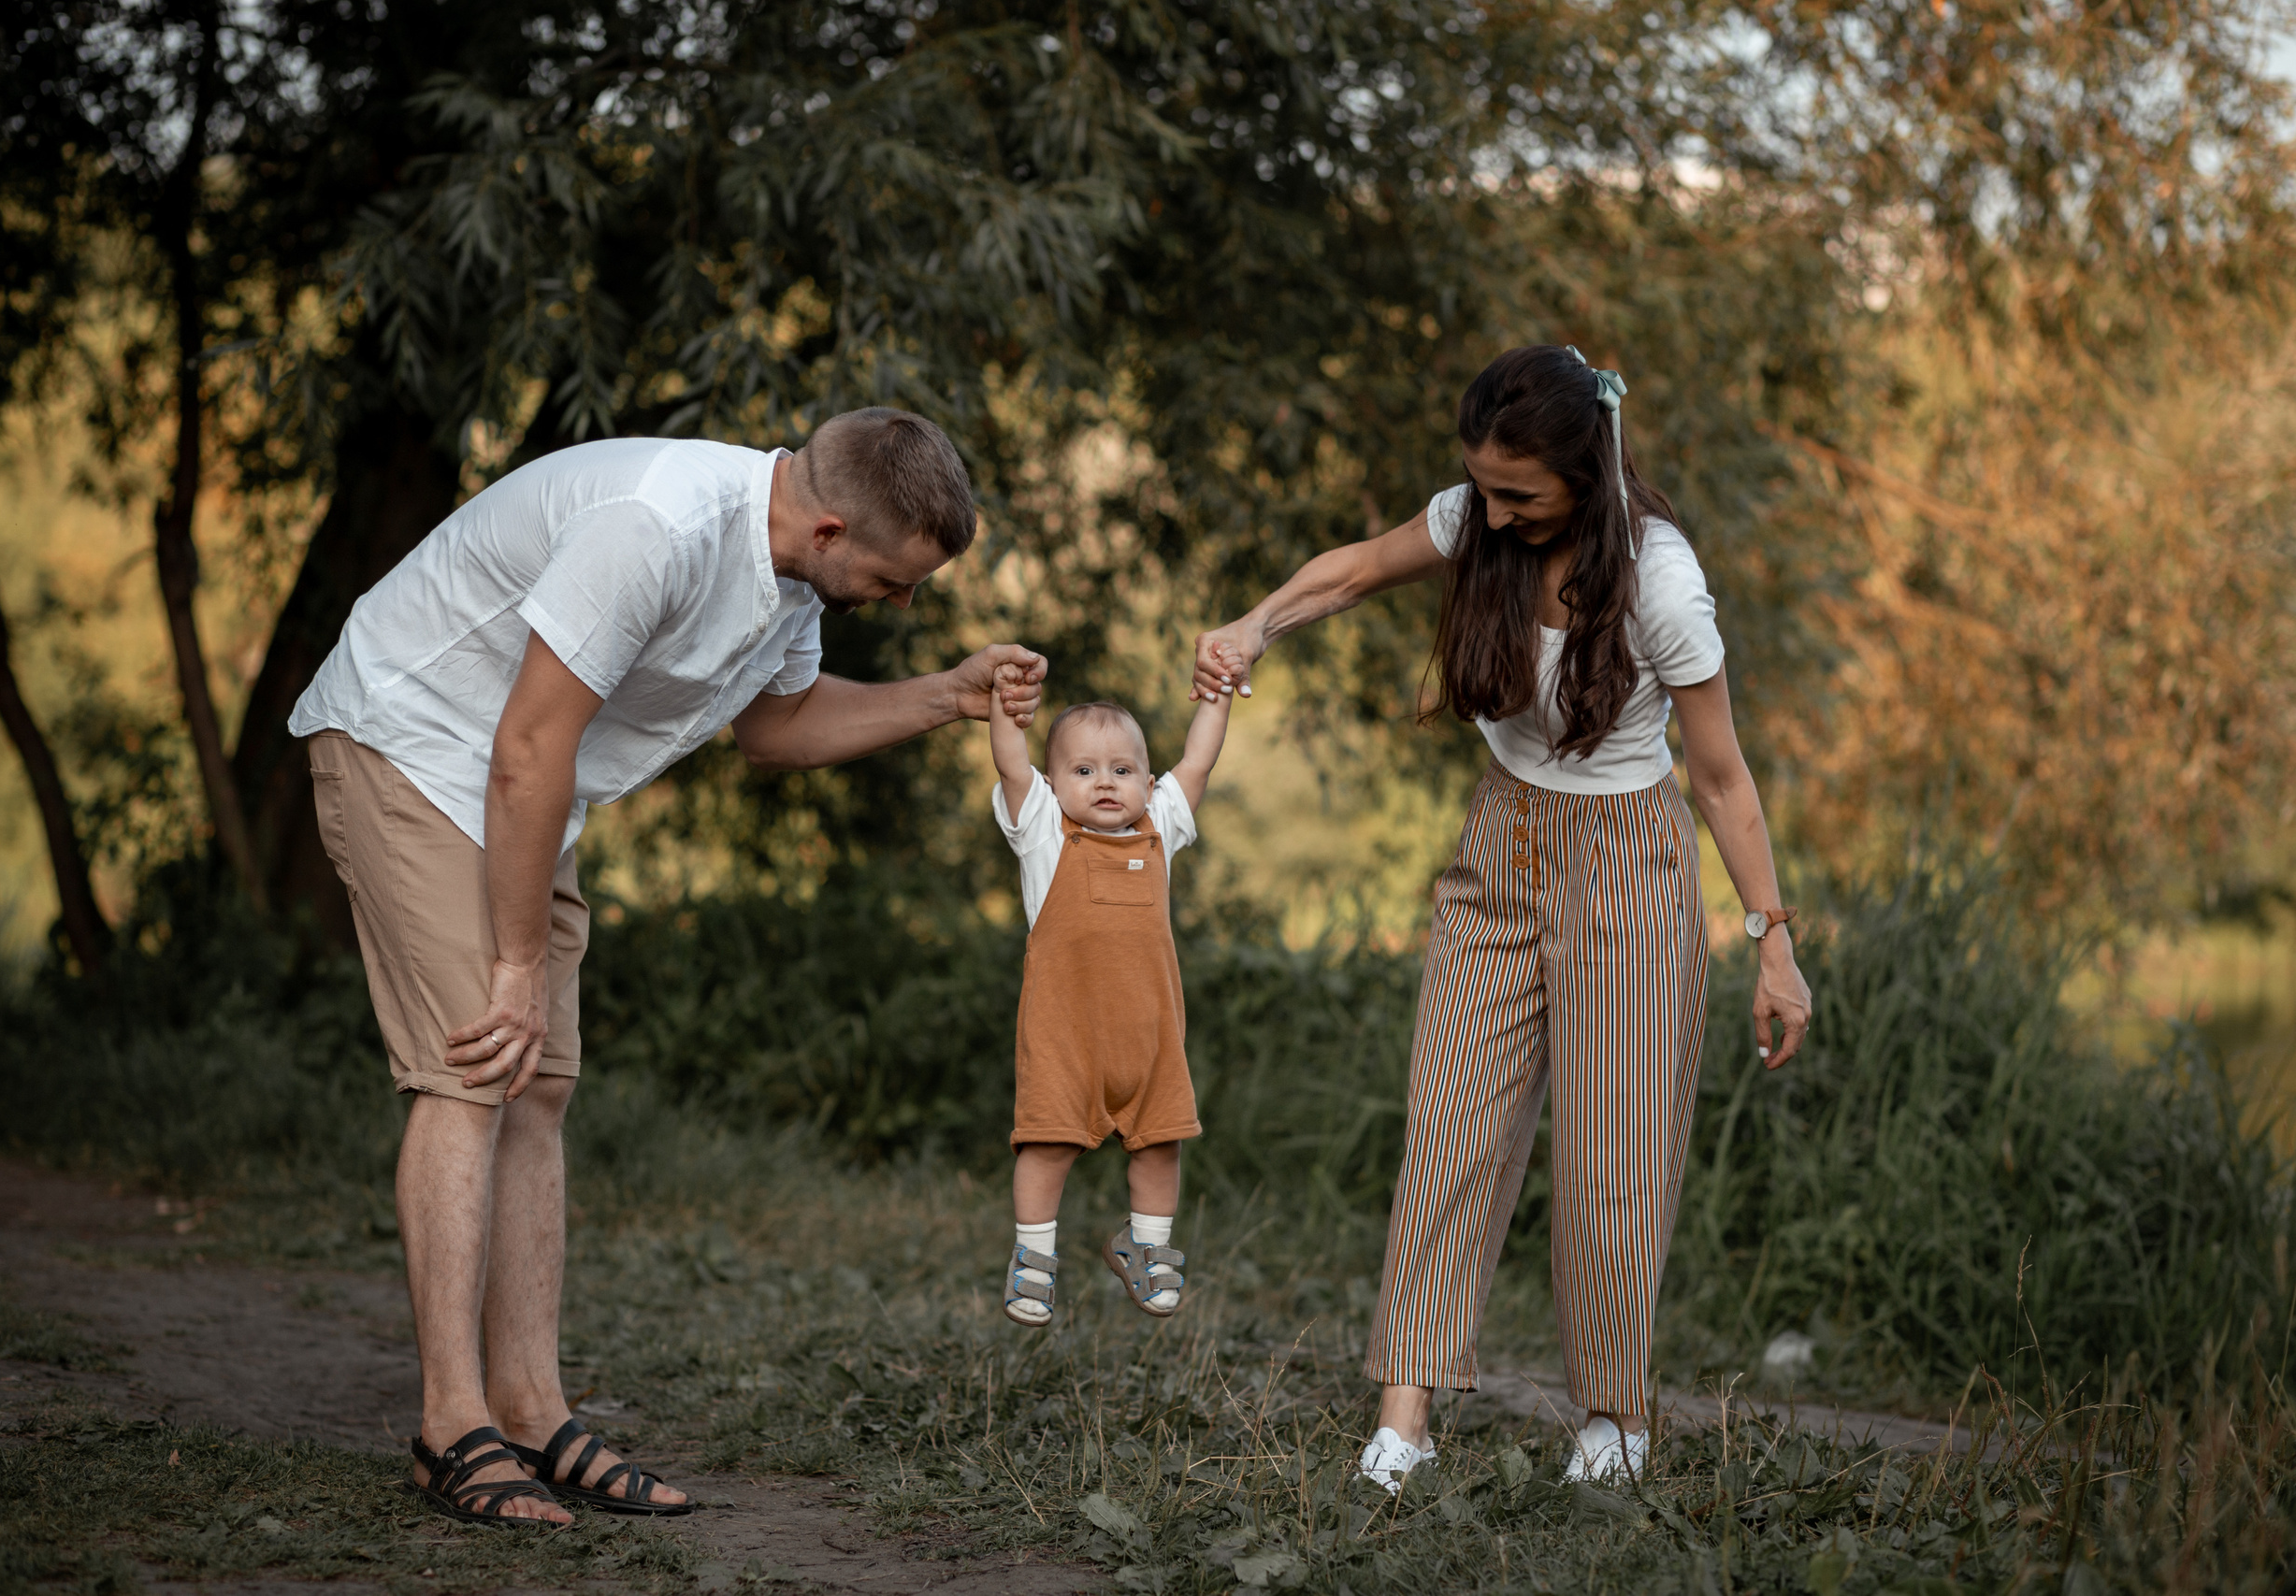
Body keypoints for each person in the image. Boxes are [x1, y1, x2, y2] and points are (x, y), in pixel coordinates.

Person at [289, 410, 1047, 1527]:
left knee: (537, 1086)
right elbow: (530, 746)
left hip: (515, 782)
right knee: (473, 1070)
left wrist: (948, 694)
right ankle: (450, 1429)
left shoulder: (794, 576)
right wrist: (515, 964)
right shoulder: (655, 526)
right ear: (831, 530)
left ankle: (530, 1412)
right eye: (894, 581)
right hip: (413, 741)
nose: (901, 604)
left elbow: (779, 729)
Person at [1188, 346, 1813, 1488]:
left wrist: (1773, 942)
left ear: (1587, 469)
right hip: (1500, 845)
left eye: (1518, 492)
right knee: (1449, 1127)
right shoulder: (1477, 520)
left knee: (1616, 1157)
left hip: (1630, 864)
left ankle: (1613, 1416)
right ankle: (1406, 1418)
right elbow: (1348, 575)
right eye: (1479, 485)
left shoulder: (1662, 586)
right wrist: (1253, 625)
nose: (1490, 511)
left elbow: (1722, 778)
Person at [985, 683, 1234, 1328]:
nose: (1104, 782)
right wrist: (1004, 705)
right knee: (1046, 1145)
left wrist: (1218, 693)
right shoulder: (1044, 834)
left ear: (1149, 784)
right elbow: (1010, 764)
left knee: (1162, 1144)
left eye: (1122, 770)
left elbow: (1199, 761)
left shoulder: (1160, 829)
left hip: (1151, 1042)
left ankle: (1144, 1245)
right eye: (1084, 770)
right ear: (1052, 784)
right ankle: (1033, 1257)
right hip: (1065, 1042)